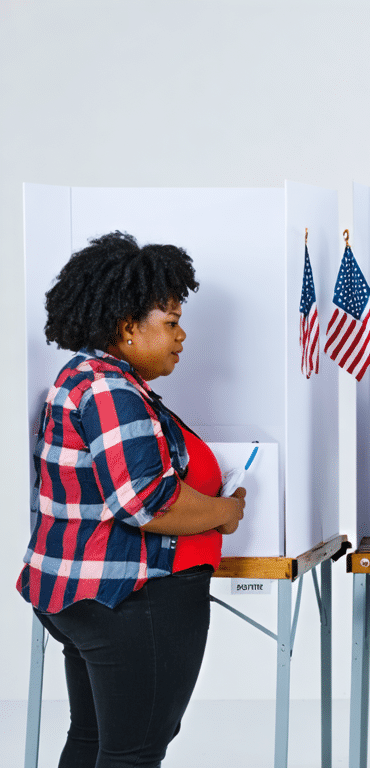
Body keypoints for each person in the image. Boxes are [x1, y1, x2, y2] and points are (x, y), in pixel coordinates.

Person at [17, 231, 247, 768]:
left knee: (96, 740)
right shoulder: (110, 389)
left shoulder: (89, 379)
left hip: (88, 592)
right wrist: (225, 512)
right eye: (170, 323)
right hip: (130, 598)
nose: (182, 335)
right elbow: (147, 504)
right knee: (134, 754)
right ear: (127, 327)